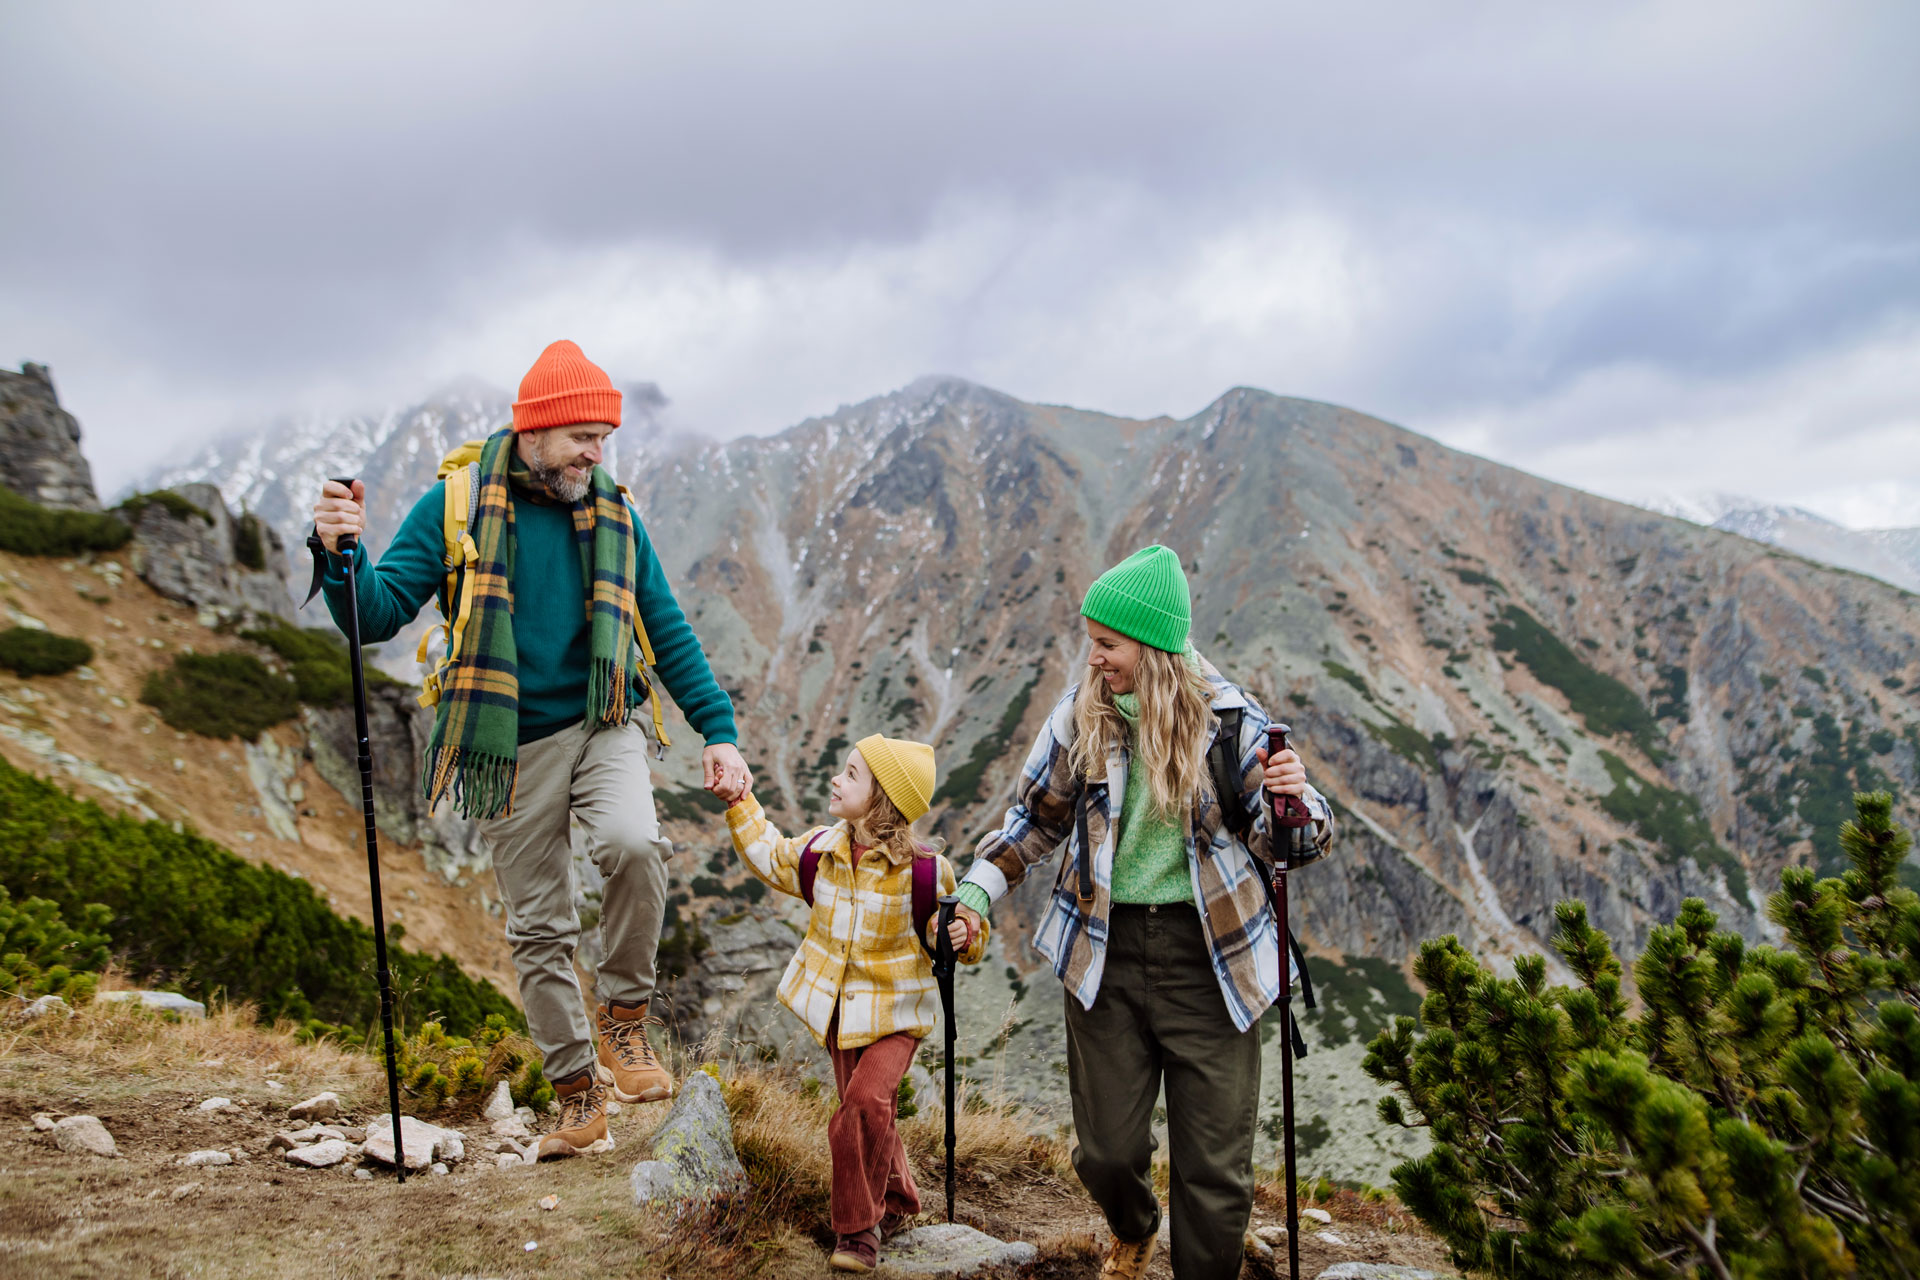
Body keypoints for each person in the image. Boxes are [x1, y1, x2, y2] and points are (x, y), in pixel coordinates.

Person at [309, 339, 750, 1162]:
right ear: (537, 432)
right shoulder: (454, 506)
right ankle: (578, 1096)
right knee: (540, 929)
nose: (596, 453)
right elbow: (375, 613)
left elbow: (667, 625)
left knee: (635, 844)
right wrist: (341, 552)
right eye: (583, 438)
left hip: (601, 716)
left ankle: (624, 1021)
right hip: (504, 742)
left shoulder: (613, 510)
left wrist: (718, 730)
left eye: (603, 439)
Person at [950, 545, 1335, 1280]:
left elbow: (1293, 839)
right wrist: (975, 892)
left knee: (1216, 1172)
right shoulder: (1079, 717)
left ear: (1154, 648)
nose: (1092, 660)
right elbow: (1034, 821)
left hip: (1213, 961)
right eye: (1090, 643)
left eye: (1106, 645)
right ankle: (1133, 1226)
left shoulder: (1231, 723)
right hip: (1105, 953)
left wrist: (1295, 802)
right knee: (1106, 1152)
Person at [722, 735, 988, 1273]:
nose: (836, 780)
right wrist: (740, 803)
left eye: (850, 774)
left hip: (897, 1015)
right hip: (841, 1012)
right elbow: (772, 857)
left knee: (862, 1107)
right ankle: (899, 1199)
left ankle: (856, 1230)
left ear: (883, 799)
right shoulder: (822, 851)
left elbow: (954, 926)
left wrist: (961, 932)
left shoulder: (925, 870)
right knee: (871, 1114)